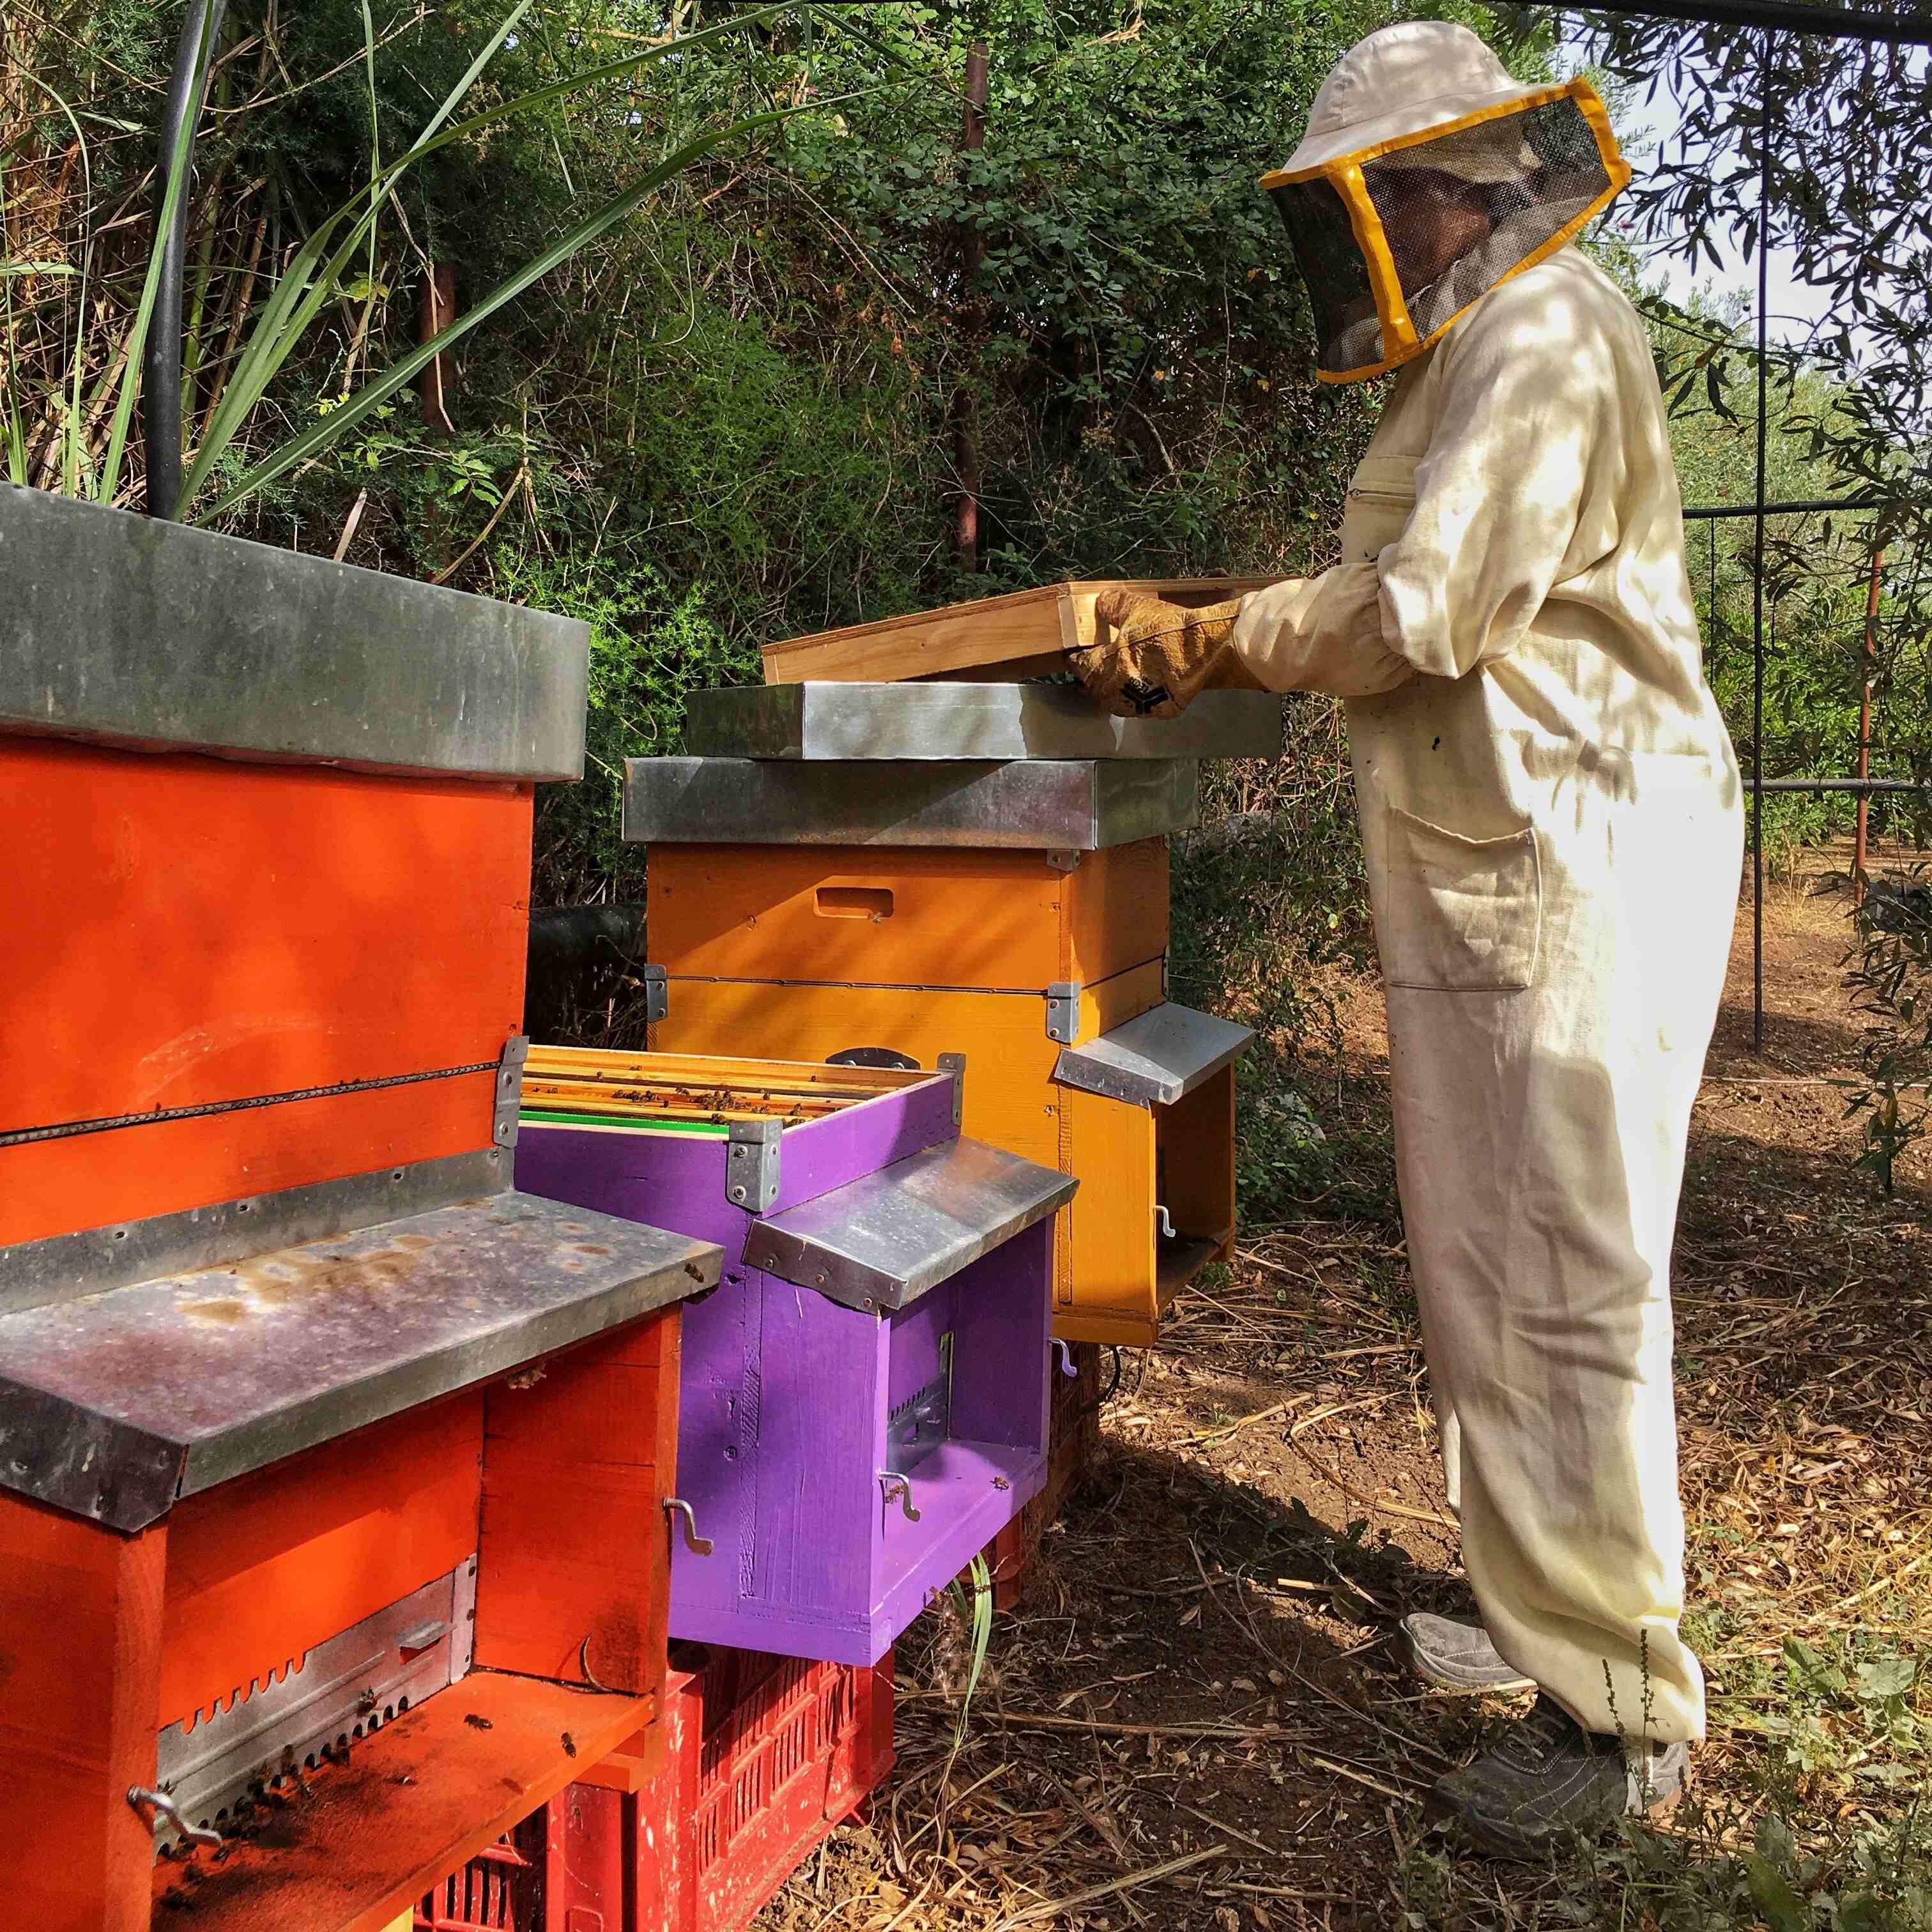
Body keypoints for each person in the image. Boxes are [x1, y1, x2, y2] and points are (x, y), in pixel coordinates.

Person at [1071, 20, 1744, 1859]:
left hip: (1569, 860)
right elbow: (1403, 593)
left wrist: (1218, 634)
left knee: (1557, 1277)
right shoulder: (1478, 351)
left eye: (1390, 199)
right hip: (1512, 854)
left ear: (1442, 185)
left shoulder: (1538, 329)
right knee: (1493, 1268)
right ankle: (1551, 1628)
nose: (1387, 236)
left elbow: (1428, 612)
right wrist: (1241, 616)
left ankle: (1613, 1714)